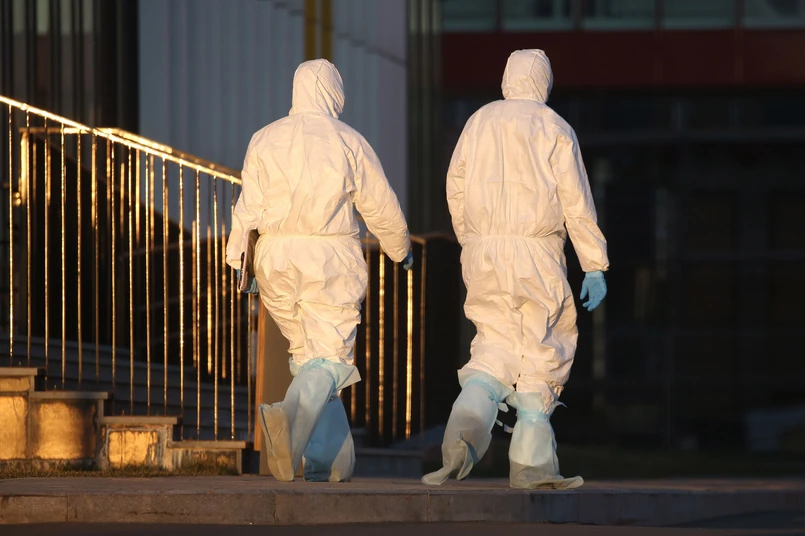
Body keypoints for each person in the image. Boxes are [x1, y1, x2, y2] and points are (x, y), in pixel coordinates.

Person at [422, 49, 609, 490]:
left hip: (484, 251)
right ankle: (531, 466)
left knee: (493, 345)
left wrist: (472, 239)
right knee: (543, 347)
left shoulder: (479, 121)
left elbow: (455, 186)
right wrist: (594, 263)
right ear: (544, 82)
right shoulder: (554, 127)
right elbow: (576, 201)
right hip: (536, 251)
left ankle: (458, 444)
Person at [226, 59, 413, 483]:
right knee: (329, 360)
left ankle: (327, 461)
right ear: (334, 92)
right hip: (328, 260)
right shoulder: (348, 140)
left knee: (310, 359)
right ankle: (289, 421)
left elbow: (248, 207)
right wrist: (399, 249)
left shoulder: (264, 138)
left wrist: (240, 261)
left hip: (275, 259)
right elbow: (380, 205)